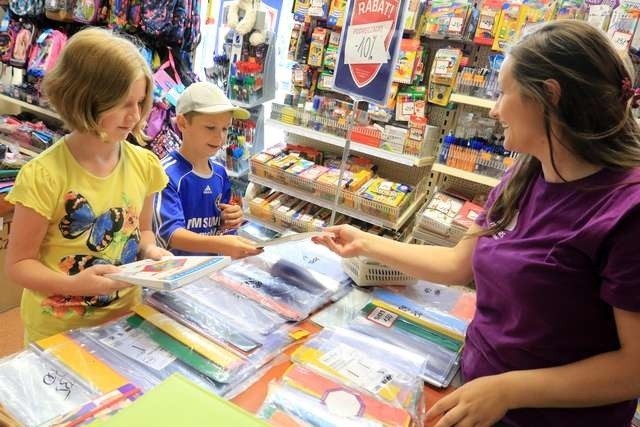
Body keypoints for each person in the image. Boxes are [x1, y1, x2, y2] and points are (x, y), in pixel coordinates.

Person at [314, 20, 640, 427]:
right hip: (476, 394)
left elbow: (633, 369)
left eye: (503, 92)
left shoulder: (627, 211)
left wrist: (508, 390)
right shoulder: (524, 175)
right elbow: (458, 264)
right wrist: (365, 243)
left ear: (549, 97)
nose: (493, 109)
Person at [4, 28, 171, 343]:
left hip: (123, 320)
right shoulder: (44, 175)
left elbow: (144, 232)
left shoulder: (144, 165)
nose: (135, 116)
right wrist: (77, 285)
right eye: (123, 104)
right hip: (57, 330)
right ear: (85, 99)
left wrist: (151, 251)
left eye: (140, 102)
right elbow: (18, 265)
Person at [153, 81, 262, 259]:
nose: (219, 136)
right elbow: (171, 234)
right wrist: (222, 244)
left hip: (211, 272)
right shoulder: (164, 173)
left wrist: (231, 218)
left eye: (225, 128)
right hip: (177, 274)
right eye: (210, 127)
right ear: (182, 123)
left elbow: (223, 225)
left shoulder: (220, 173)